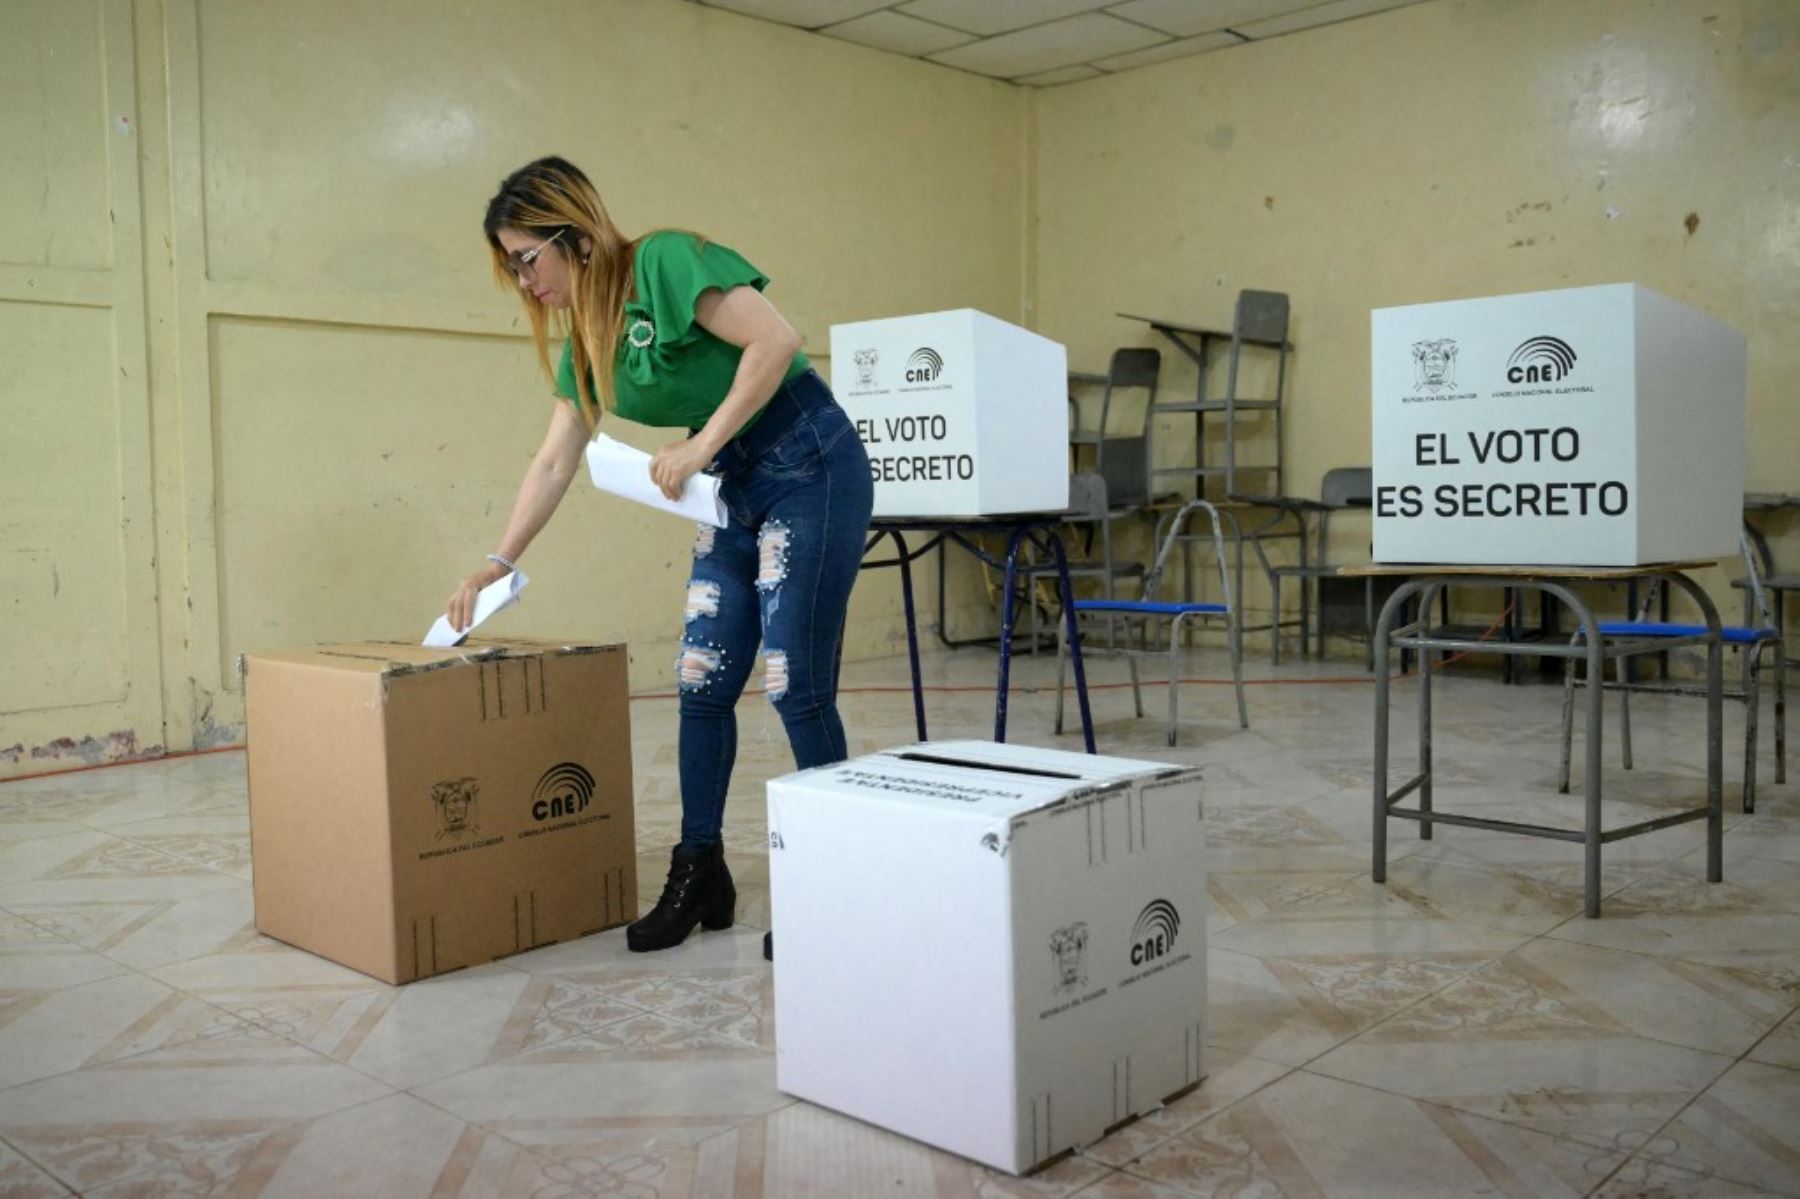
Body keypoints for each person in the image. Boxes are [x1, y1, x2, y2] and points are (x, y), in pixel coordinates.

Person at [446, 157, 873, 958]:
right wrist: (497, 563)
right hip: (732, 490)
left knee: (792, 679)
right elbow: (553, 460)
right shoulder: (587, 340)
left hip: (812, 465)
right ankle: (701, 868)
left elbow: (777, 339)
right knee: (701, 681)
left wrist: (703, 441)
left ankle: (836, 880)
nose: (522, 280)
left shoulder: (666, 261)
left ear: (571, 235)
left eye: (527, 258)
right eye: (510, 267)